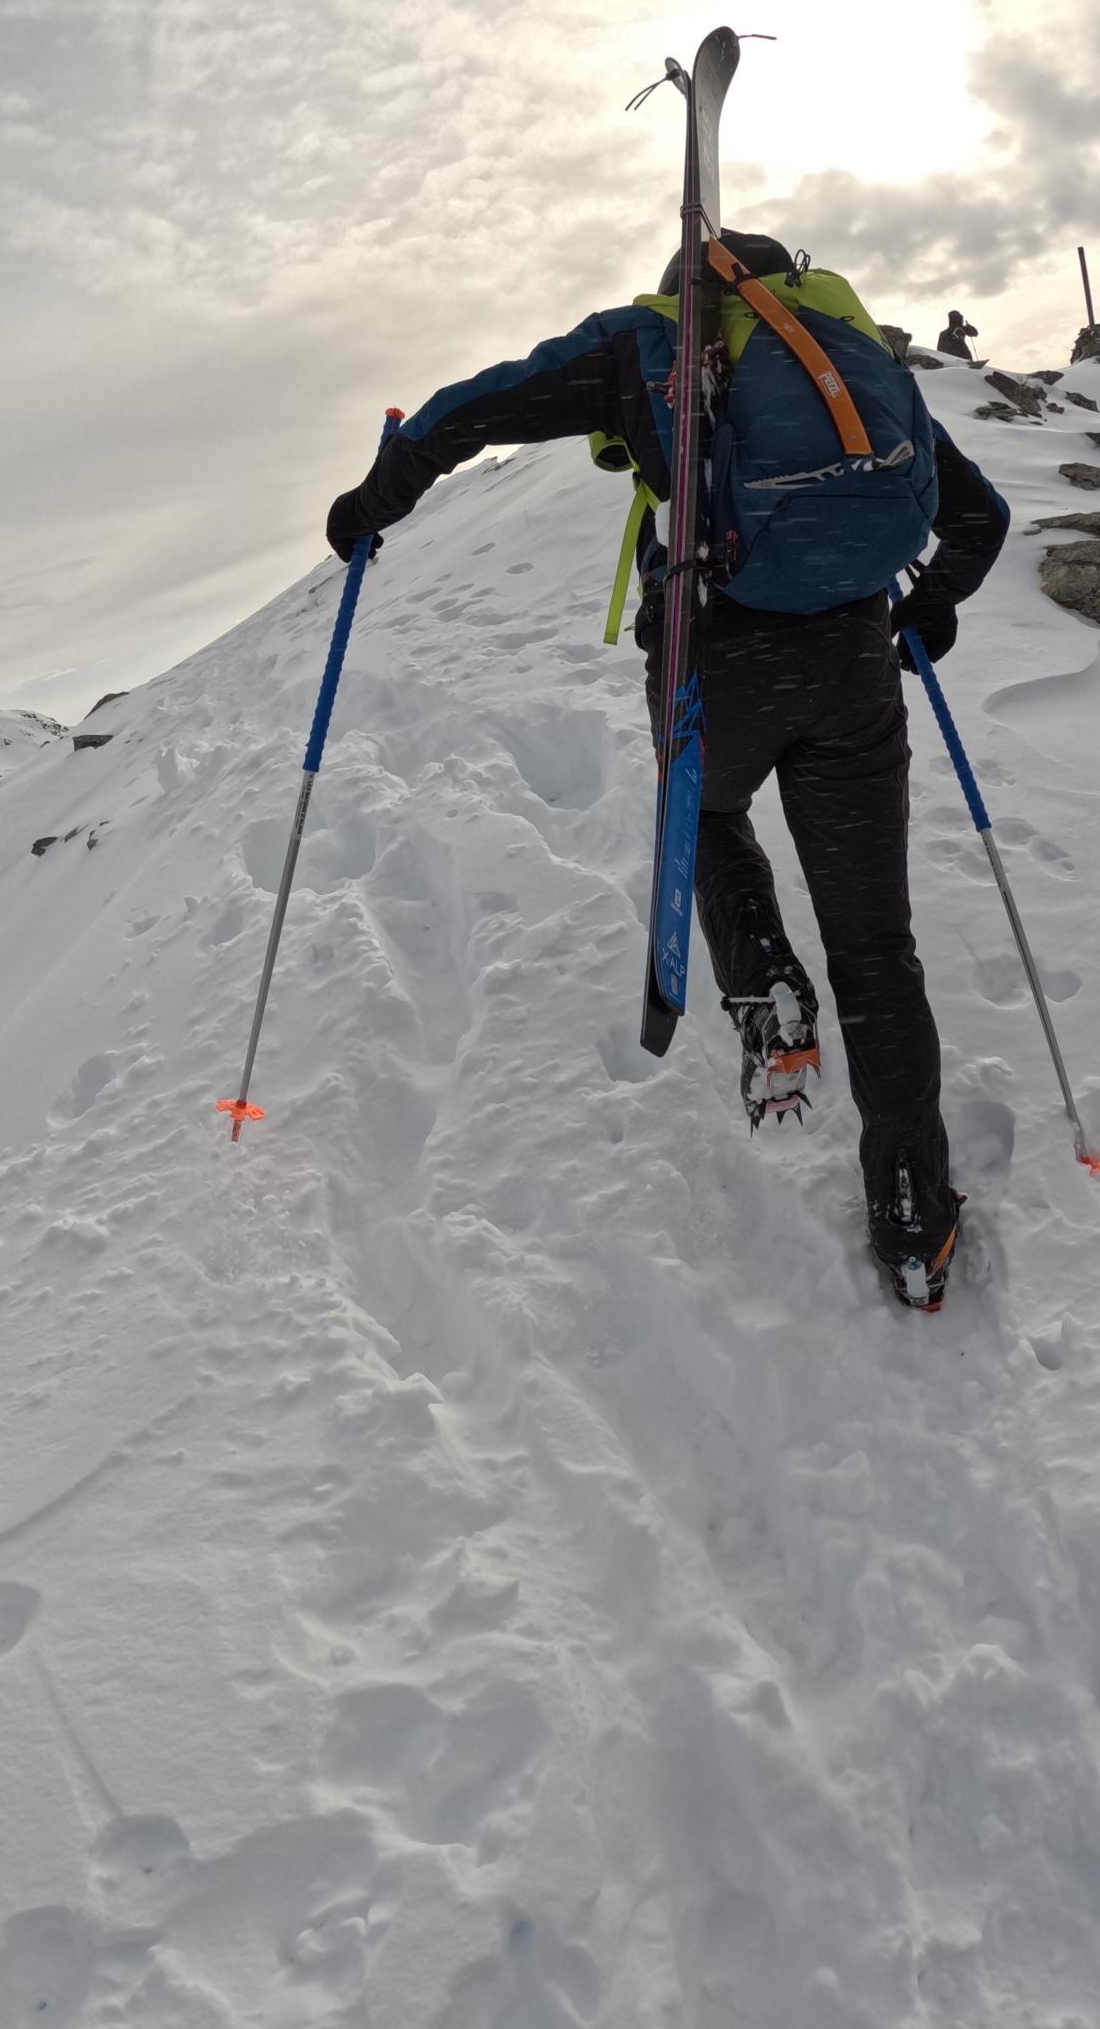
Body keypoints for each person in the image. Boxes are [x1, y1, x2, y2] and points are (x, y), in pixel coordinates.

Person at [325, 231, 1010, 1308]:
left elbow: (472, 409)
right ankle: (913, 1214)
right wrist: (927, 612)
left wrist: (373, 502)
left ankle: (764, 984)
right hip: (852, 663)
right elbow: (978, 515)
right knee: (877, 945)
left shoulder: (651, 344)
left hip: (715, 654)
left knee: (704, 814)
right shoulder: (844, 353)